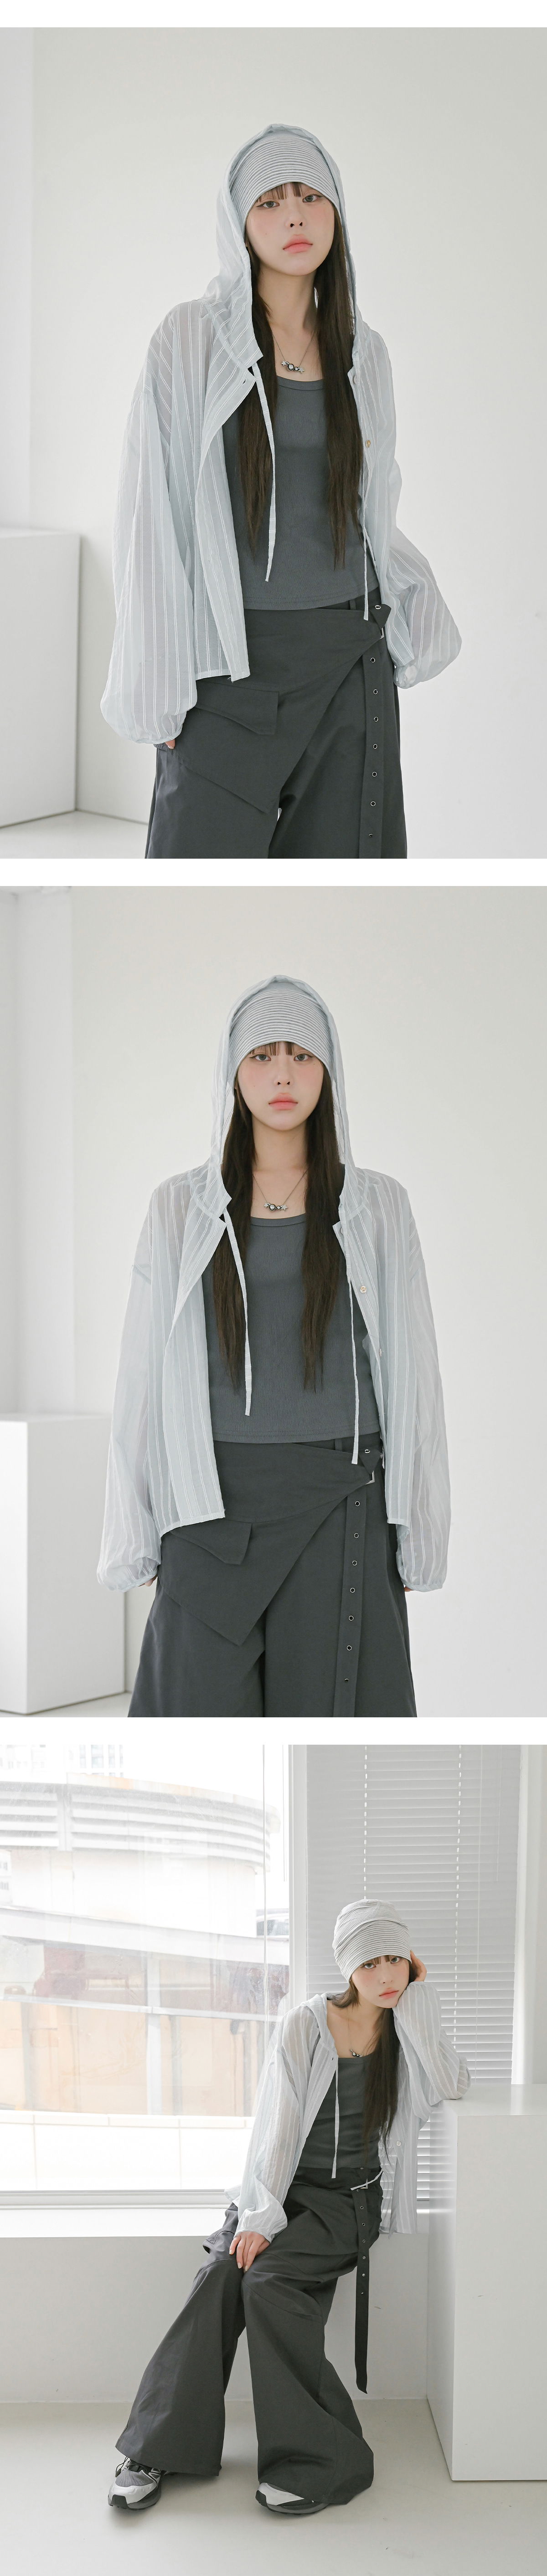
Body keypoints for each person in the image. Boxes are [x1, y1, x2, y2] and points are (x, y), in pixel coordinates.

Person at [100, 122, 461, 859]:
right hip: (232, 665)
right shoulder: (191, 340)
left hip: (347, 657)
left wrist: (410, 603)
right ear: (239, 223)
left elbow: (373, 504)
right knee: (195, 873)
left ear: (336, 212)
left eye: (309, 197)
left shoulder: (363, 350)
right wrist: (157, 684)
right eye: (270, 201)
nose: (294, 216)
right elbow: (152, 512)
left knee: (341, 882)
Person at [98, 975, 450, 1717]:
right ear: (233, 1073)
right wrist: (139, 1533)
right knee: (196, 1727)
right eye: (262, 1055)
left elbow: (416, 1375)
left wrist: (417, 1531)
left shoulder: (377, 1207)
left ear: (329, 1070)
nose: (283, 1074)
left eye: (301, 1055)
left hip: (341, 1496)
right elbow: (141, 1377)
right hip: (209, 1503)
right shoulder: (180, 1209)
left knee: (326, 1733)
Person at [108, 1896, 470, 2518]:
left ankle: (323, 2457)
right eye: (370, 1964)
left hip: (347, 2201)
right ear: (348, 1968)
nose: (386, 1976)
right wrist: (260, 2218)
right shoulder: (307, 2023)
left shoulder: (407, 2020)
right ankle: (156, 2448)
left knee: (269, 2286)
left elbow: (452, 2083)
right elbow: (277, 2127)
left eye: (396, 1960)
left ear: (411, 1962)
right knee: (221, 2275)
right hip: (275, 2188)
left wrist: (420, 2005)